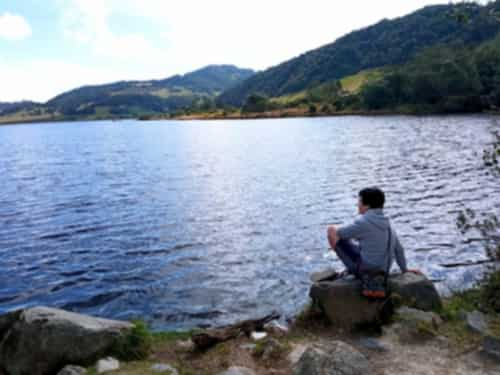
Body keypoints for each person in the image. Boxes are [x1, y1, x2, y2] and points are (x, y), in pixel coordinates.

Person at [327, 187, 420, 298]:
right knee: (365, 244)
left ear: (367, 205)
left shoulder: (363, 222)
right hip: (384, 270)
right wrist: (404, 269)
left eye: (359, 201)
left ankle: (362, 276)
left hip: (365, 269)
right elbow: (398, 249)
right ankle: (375, 279)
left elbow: (340, 234)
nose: (357, 204)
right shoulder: (389, 225)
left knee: (331, 230)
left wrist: (355, 235)